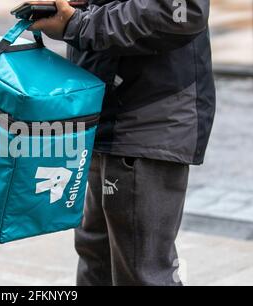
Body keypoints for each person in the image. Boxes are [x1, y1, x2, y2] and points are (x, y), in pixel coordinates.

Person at [30, 0, 216, 286]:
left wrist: (77, 24)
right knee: (97, 260)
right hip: (103, 109)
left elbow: (181, 11)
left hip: (148, 116)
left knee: (142, 271)